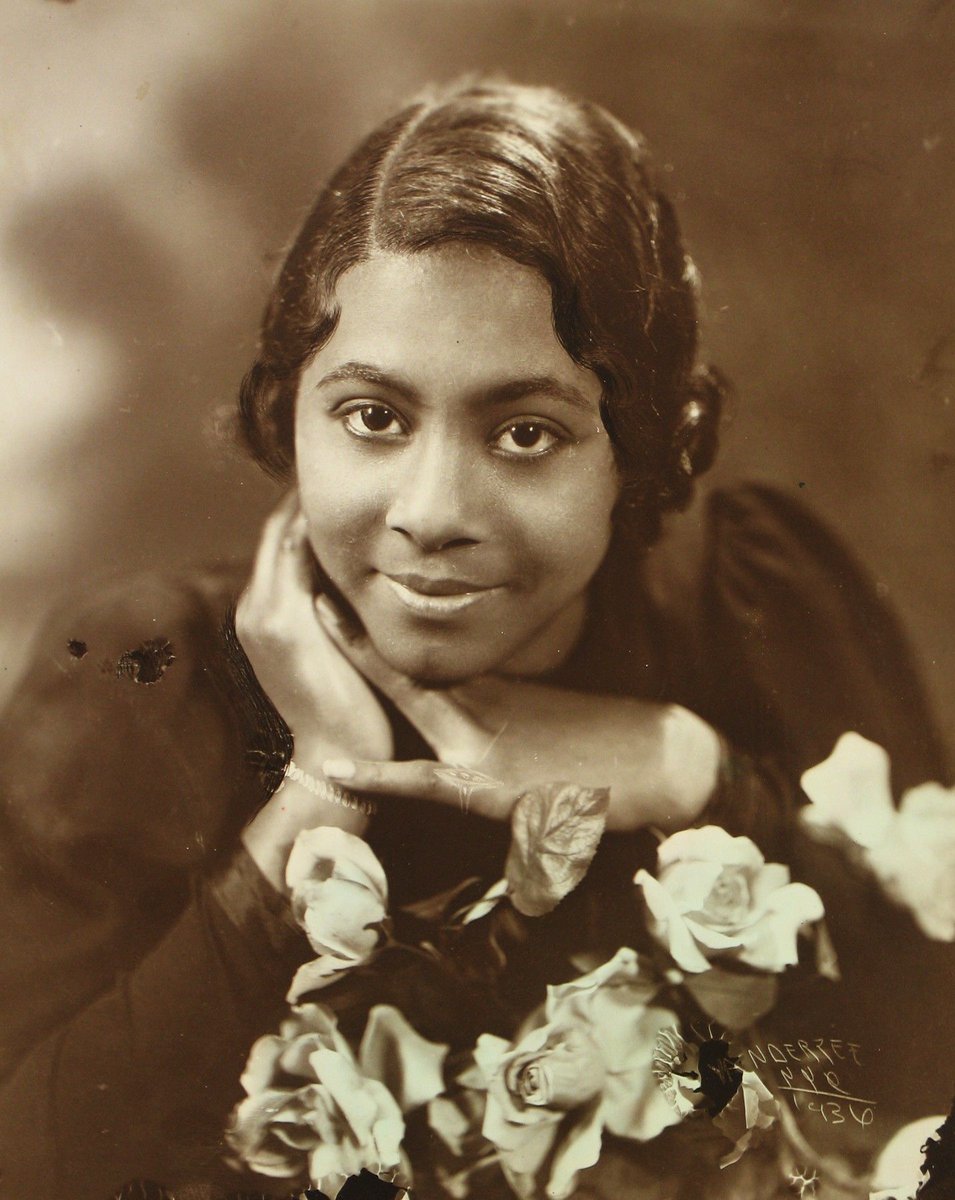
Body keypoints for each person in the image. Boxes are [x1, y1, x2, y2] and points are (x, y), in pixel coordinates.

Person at [0, 79, 950, 1200]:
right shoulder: (146, 677)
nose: (433, 509)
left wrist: (689, 769)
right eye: (373, 417)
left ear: (642, 444)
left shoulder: (747, 606)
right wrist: (319, 793)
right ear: (286, 409)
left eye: (525, 432)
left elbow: (921, 1070)